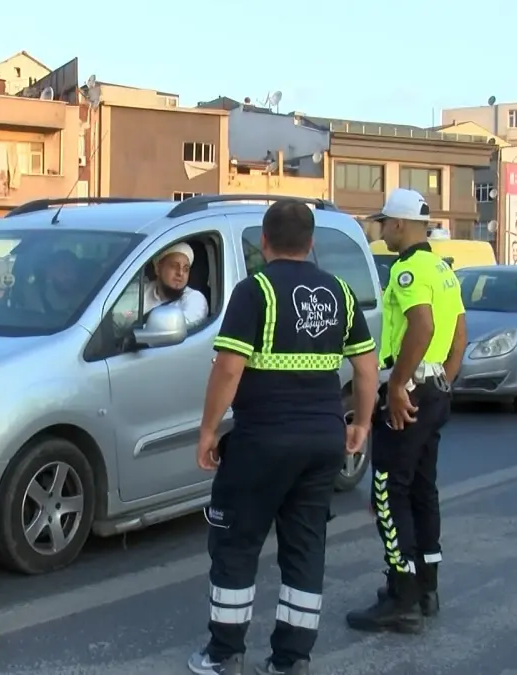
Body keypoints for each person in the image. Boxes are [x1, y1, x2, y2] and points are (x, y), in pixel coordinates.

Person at [187, 200, 380, 675]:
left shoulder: (255, 292)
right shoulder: (339, 290)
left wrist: (208, 430)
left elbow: (229, 367)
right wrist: (361, 423)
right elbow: (366, 365)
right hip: (322, 441)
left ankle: (224, 653)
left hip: (263, 441)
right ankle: (291, 660)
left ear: (264, 242)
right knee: (305, 548)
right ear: (312, 243)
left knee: (235, 543)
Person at [345, 188, 467, 634]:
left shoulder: (408, 272)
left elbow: (423, 325)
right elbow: (458, 335)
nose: (380, 231)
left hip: (411, 388)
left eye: (383, 224)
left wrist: (398, 385)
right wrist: (443, 381)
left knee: (387, 491)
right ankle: (425, 587)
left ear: (398, 224)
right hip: (434, 389)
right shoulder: (443, 270)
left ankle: (402, 597)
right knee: (421, 489)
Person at [145, 242, 209, 329]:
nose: (180, 273)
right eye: (174, 266)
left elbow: (178, 327)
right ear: (158, 269)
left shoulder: (195, 299)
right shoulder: (141, 291)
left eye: (186, 269)